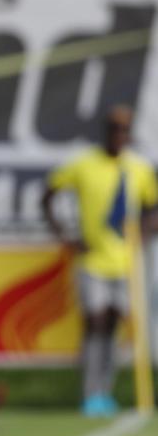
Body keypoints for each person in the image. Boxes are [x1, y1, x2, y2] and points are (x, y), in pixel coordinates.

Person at [42, 105, 158, 417]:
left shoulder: (138, 168)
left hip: (126, 262)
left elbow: (152, 207)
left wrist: (145, 230)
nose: (119, 135)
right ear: (106, 132)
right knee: (95, 321)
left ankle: (105, 391)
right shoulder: (85, 165)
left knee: (114, 324)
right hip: (93, 260)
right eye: (114, 129)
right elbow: (49, 194)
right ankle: (90, 392)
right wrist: (65, 235)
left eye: (124, 130)